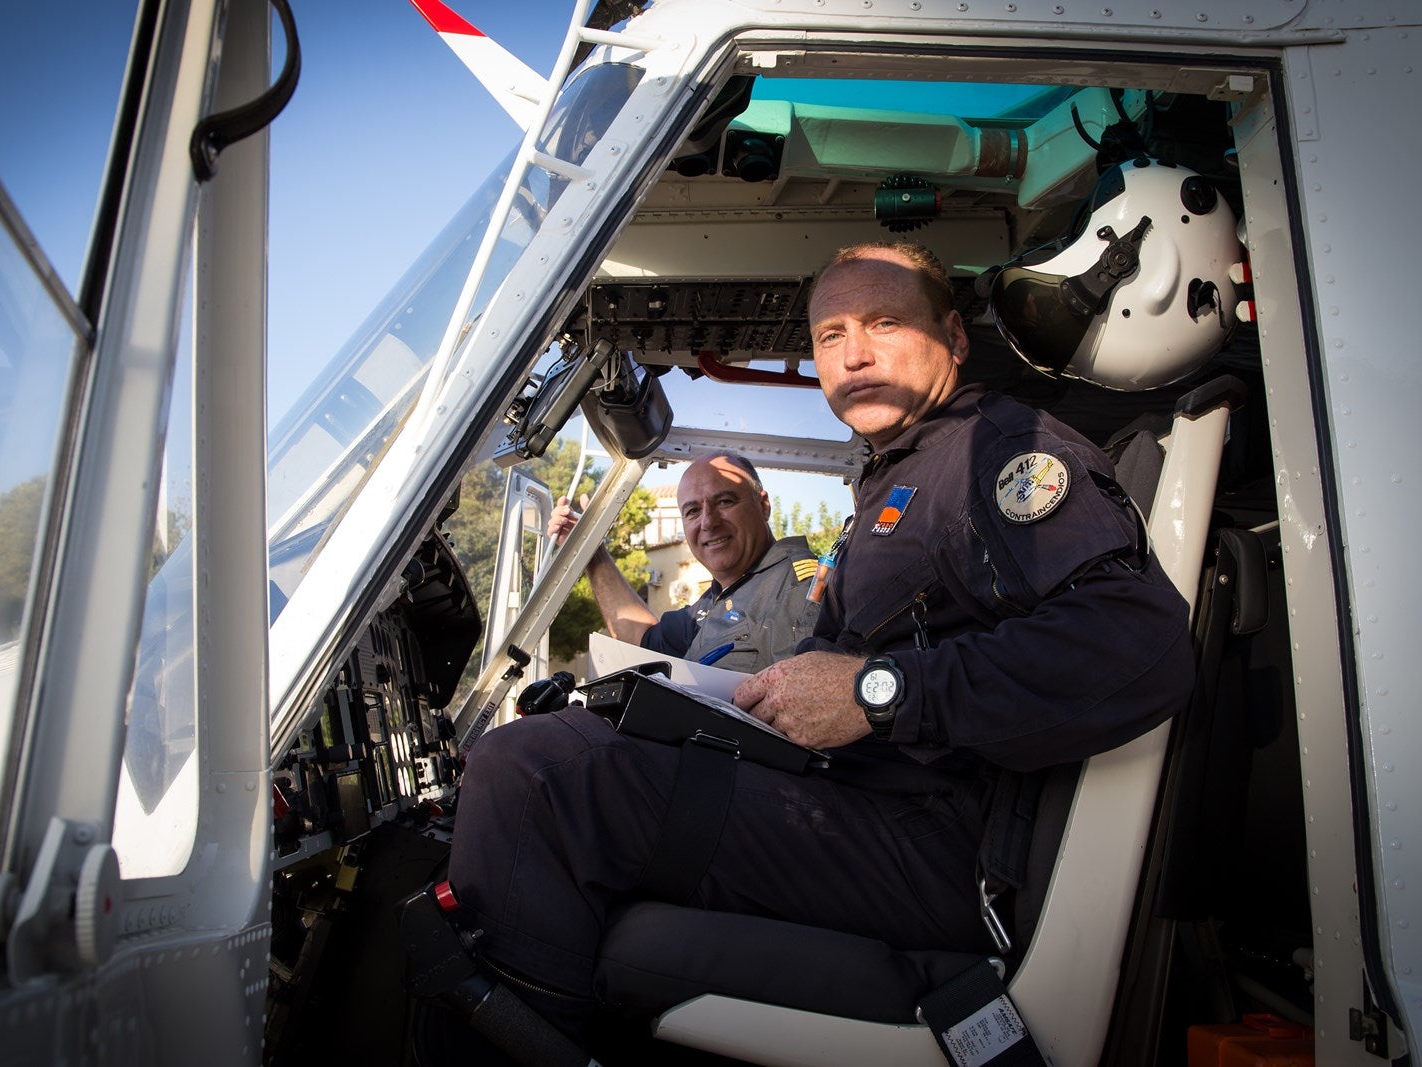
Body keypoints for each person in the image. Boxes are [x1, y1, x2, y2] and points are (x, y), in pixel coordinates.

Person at [441, 240, 1195, 1045]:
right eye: (830, 336)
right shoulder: (896, 476)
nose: (854, 353)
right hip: (867, 803)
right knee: (569, 749)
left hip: (940, 845)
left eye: (883, 322)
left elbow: (1138, 641)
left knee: (534, 773)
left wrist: (879, 692)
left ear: (954, 337)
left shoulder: (994, 451)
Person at [547, 451, 819, 672]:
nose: (708, 522)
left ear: (763, 506)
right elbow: (640, 639)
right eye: (692, 511)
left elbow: (803, 715)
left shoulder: (798, 588)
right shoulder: (714, 602)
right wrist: (593, 554)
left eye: (724, 501)